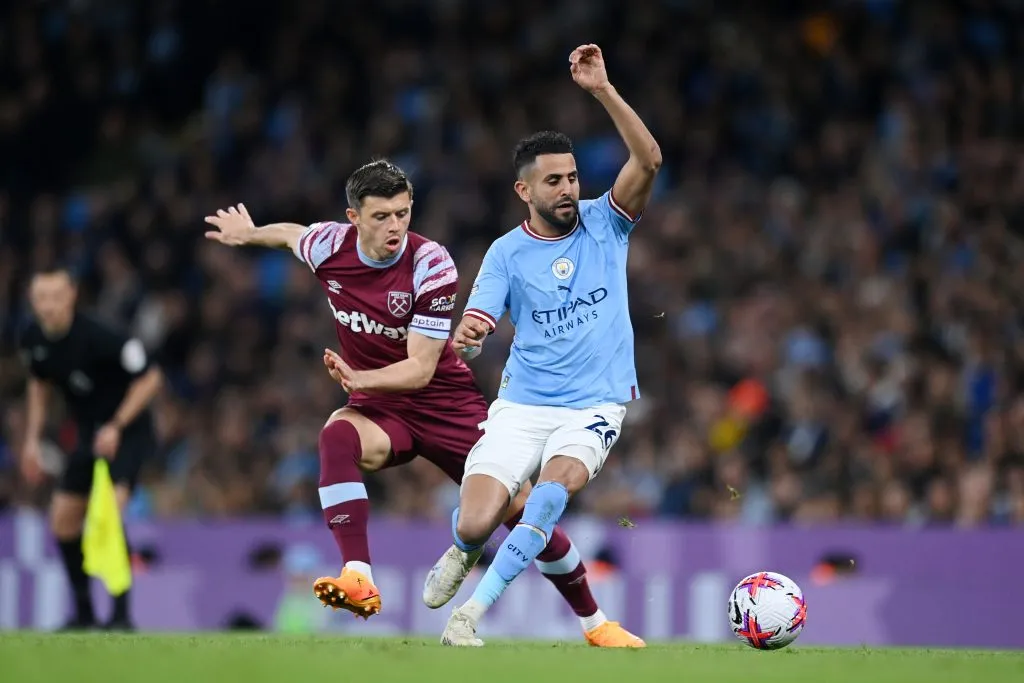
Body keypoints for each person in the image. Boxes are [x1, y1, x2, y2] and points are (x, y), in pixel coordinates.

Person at [203, 159, 640, 646]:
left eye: (403, 213)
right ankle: (358, 575)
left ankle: (595, 623)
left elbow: (421, 369)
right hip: (382, 408)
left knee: (521, 509)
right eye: (381, 217)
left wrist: (358, 376)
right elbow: (291, 235)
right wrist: (250, 232)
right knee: (336, 435)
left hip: (447, 406)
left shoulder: (430, 264)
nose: (395, 226)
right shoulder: (328, 246)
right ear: (354, 218)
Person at [430, 44, 662, 647]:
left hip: (593, 406)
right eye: (553, 181)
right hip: (523, 405)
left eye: (572, 177)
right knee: (478, 520)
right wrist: (471, 334)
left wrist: (602, 91)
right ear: (523, 190)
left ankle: (469, 616)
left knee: (549, 498)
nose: (567, 189)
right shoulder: (507, 253)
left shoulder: (606, 222)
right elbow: (475, 321)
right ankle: (462, 547)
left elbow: (650, 158)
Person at [18, 267, 164, 630]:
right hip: (88, 434)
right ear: (32, 302)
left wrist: (116, 425)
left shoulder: (102, 336)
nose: (48, 306)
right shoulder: (34, 338)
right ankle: (83, 614)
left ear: (71, 296)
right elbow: (39, 384)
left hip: (127, 431)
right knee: (63, 521)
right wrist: (32, 440)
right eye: (41, 298)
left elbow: (150, 379)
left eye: (55, 296)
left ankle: (120, 614)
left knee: (109, 512)